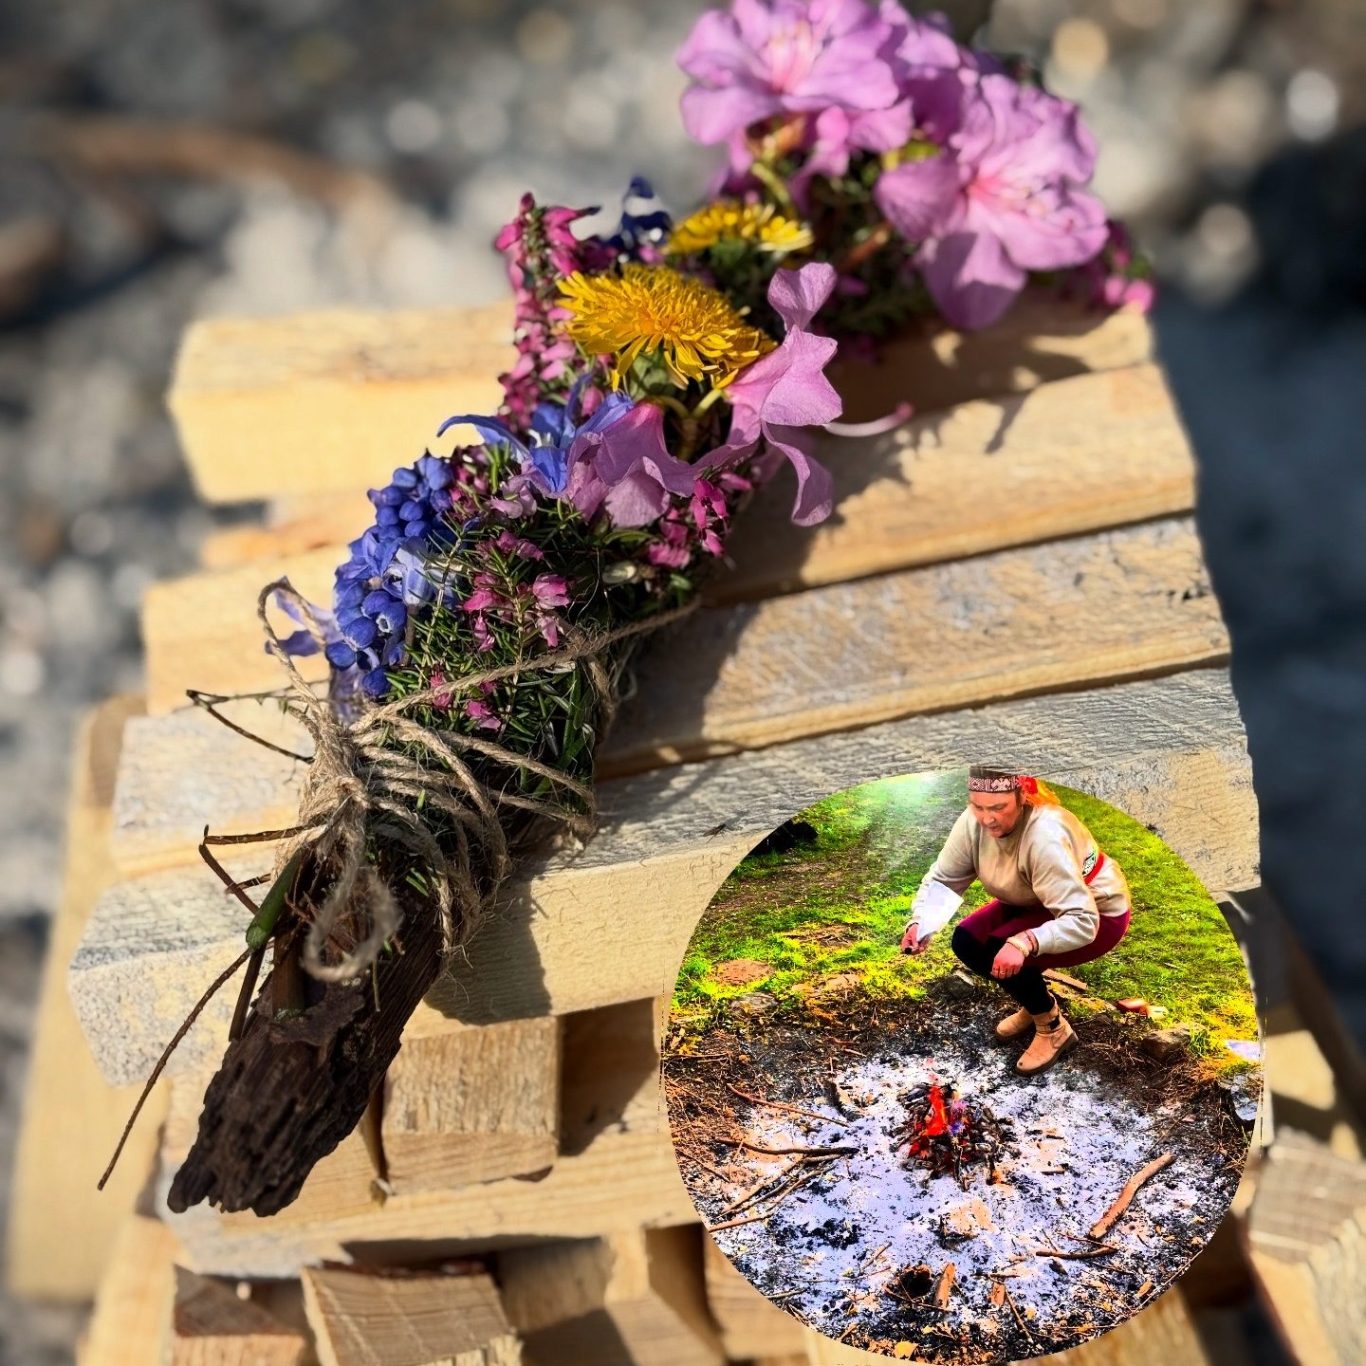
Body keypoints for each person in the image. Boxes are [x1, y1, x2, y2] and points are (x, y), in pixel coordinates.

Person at [899, 765, 1132, 1075]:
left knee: (1000, 949)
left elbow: (1081, 919)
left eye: (998, 807)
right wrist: (920, 922)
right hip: (1032, 900)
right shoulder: (974, 821)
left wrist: (1025, 942)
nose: (987, 818)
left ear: (1023, 795)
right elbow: (944, 877)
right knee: (968, 941)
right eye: (977, 806)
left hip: (1095, 914)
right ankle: (1036, 1002)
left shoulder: (1044, 834)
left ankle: (1053, 1029)